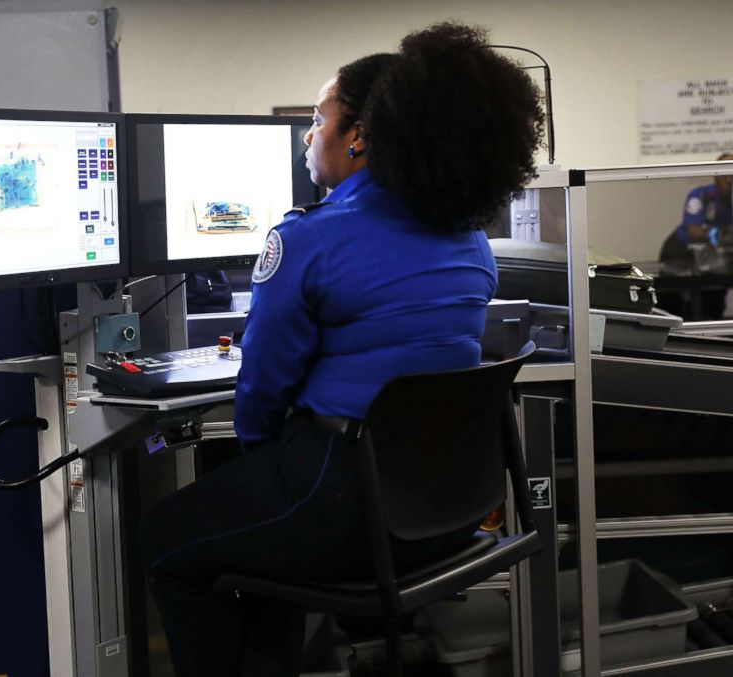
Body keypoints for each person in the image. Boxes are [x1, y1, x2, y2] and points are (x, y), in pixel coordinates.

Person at [139, 22, 544, 677]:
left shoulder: (307, 241)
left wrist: (262, 466)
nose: (307, 135)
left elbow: (261, 398)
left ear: (359, 136)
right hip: (447, 515)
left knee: (165, 537)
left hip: (350, 509)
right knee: (258, 529)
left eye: (317, 119)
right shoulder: (469, 242)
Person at [658, 153, 733, 319]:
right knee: (671, 303)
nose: (730, 180)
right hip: (680, 251)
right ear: (716, 177)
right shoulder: (700, 195)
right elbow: (693, 231)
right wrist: (718, 233)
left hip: (715, 256)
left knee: (714, 301)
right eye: (725, 175)